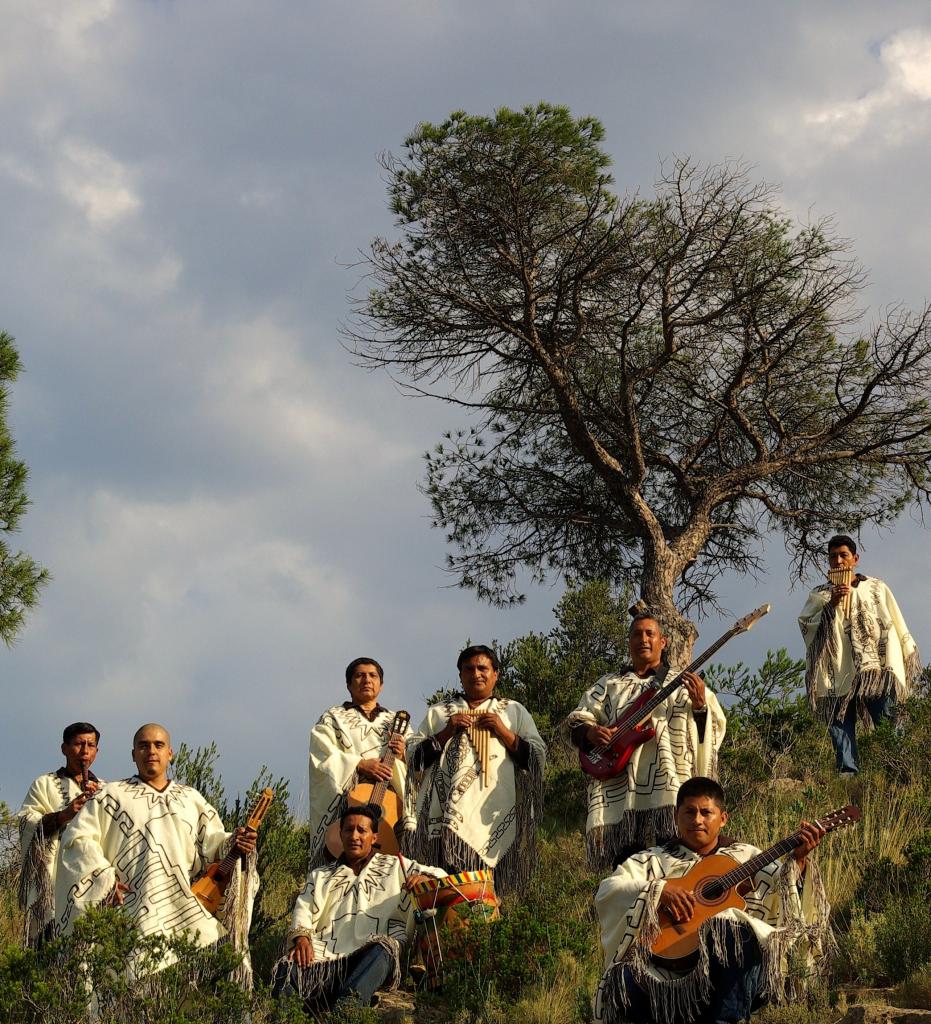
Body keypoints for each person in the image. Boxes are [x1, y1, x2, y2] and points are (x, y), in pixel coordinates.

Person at [594, 776, 829, 1024]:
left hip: (736, 973)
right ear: (676, 816)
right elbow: (609, 890)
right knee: (623, 978)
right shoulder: (651, 860)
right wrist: (658, 890)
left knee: (733, 926)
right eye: (689, 812)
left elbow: (783, 891)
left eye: (706, 812)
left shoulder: (746, 856)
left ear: (723, 818)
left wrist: (798, 862)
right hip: (665, 969)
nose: (697, 820)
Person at [55, 724, 258, 983]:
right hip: (130, 911)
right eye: (143, 745)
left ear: (170, 753)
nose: (151, 751)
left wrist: (236, 842)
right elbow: (77, 840)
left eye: (158, 745)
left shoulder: (191, 798)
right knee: (128, 988)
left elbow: (215, 844)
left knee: (197, 986)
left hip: (186, 909)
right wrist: (102, 880)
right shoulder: (110, 796)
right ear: (133, 754)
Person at [568, 614, 726, 869]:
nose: (644, 639)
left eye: (650, 634)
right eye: (637, 634)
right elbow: (578, 718)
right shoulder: (609, 684)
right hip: (620, 790)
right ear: (628, 642)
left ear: (663, 642)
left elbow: (715, 728)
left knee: (675, 863)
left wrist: (699, 707)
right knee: (626, 867)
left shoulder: (684, 682)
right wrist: (590, 732)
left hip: (669, 788)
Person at [272, 804, 445, 1012]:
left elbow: (440, 875)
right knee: (285, 967)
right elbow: (303, 908)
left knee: (384, 947)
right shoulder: (321, 875)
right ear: (341, 834)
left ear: (374, 837)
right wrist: (301, 938)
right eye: (348, 829)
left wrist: (424, 878)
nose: (354, 836)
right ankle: (290, 1016)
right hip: (325, 955)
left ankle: (345, 1012)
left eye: (362, 830)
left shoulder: (395, 865)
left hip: (372, 955)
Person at [404, 644, 546, 896]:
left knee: (496, 894)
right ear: (460, 675)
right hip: (444, 824)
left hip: (495, 816)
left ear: (496, 674)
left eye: (483, 668)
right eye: (468, 669)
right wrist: (447, 731)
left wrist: (503, 731)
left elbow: (536, 759)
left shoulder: (513, 711)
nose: (476, 674)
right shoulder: (438, 713)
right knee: (448, 892)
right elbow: (413, 759)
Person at [799, 534, 921, 775]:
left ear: (855, 559)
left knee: (887, 721)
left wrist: (898, 655)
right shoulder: (820, 595)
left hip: (874, 669)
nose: (838, 561)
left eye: (844, 555)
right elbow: (806, 626)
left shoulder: (876, 587)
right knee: (840, 725)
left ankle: (898, 773)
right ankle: (848, 775)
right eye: (833, 556)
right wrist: (830, 606)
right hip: (837, 671)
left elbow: (894, 622)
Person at [306, 657, 407, 869]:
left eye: (373, 676)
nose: (366, 680)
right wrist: (359, 764)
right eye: (359, 675)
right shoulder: (333, 717)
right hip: (348, 801)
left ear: (381, 684)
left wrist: (404, 754)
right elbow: (322, 756)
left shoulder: (394, 720)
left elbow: (417, 764)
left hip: (387, 807)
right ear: (349, 684)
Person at [17, 722, 102, 947]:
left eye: (90, 745)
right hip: (52, 882)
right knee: (47, 950)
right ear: (64, 748)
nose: (84, 751)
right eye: (78, 744)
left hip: (89, 883)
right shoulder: (44, 784)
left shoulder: (105, 791)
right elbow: (26, 823)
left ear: (96, 751)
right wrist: (64, 815)